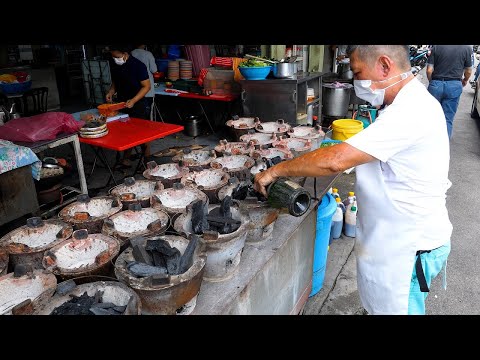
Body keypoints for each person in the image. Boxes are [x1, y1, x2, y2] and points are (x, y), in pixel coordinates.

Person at [254, 45, 452, 315]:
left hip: (409, 249)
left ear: (384, 65)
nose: (357, 82)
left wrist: (276, 171)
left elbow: (336, 160)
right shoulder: (403, 103)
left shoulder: (412, 111)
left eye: (358, 72)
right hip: (394, 240)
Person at [106, 45, 151, 167]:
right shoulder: (113, 63)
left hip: (138, 103)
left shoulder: (138, 65)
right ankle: (126, 158)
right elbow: (116, 80)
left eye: (116, 55)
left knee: (142, 133)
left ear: (125, 53)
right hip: (122, 103)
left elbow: (147, 86)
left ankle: (147, 159)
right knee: (126, 132)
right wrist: (111, 91)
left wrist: (134, 100)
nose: (113, 57)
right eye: (112, 55)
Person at [426, 45, 473, 139]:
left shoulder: (436, 47)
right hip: (454, 85)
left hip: (436, 83)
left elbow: (429, 70)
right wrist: (465, 80)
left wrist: (432, 82)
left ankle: (428, 143)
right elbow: (468, 70)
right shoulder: (467, 48)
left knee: (432, 117)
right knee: (447, 118)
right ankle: (443, 146)